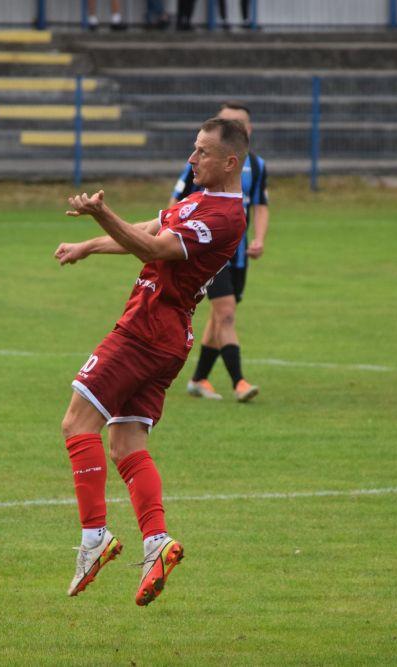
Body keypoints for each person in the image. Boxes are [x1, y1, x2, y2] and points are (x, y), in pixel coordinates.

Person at [55, 117, 248, 606]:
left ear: (230, 162)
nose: (191, 159)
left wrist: (101, 215)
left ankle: (94, 538)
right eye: (193, 149)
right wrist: (89, 246)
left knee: (77, 424)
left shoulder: (225, 217)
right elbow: (143, 229)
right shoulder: (199, 201)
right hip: (166, 335)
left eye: (202, 152)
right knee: (125, 443)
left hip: (147, 329)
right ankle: (156, 542)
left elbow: (155, 247)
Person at [173, 102, 268, 403]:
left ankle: (199, 378)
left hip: (238, 253)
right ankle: (238, 381)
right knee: (225, 313)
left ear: (248, 130)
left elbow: (261, 205)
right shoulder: (201, 163)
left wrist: (260, 238)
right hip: (210, 250)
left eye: (239, 122)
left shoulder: (257, 165)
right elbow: (175, 202)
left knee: (220, 317)